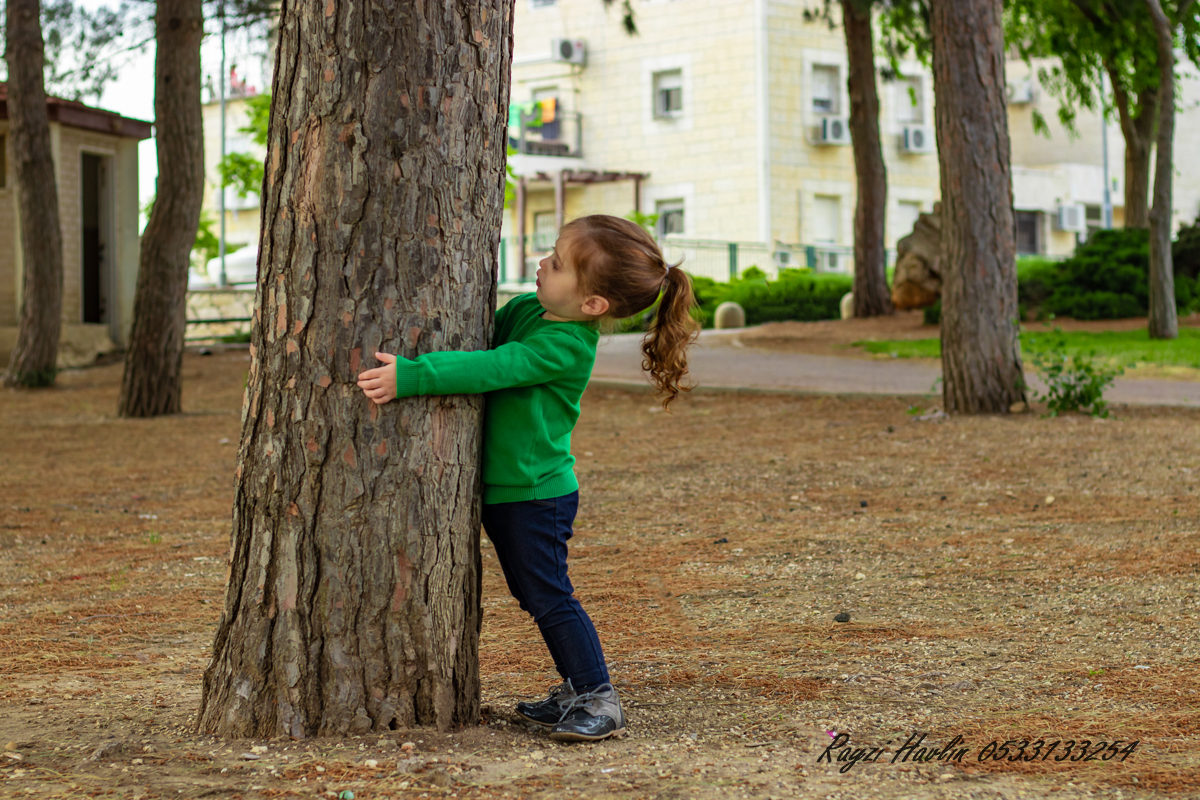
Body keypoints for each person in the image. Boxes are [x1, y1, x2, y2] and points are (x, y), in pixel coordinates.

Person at [356, 214, 699, 741]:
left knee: (547, 595)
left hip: (536, 495)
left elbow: (495, 366)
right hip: (512, 491)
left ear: (593, 305)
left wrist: (414, 376)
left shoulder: (565, 345)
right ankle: (573, 689)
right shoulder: (529, 310)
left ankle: (596, 696)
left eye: (558, 263)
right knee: (533, 591)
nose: (543, 262)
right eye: (551, 252)